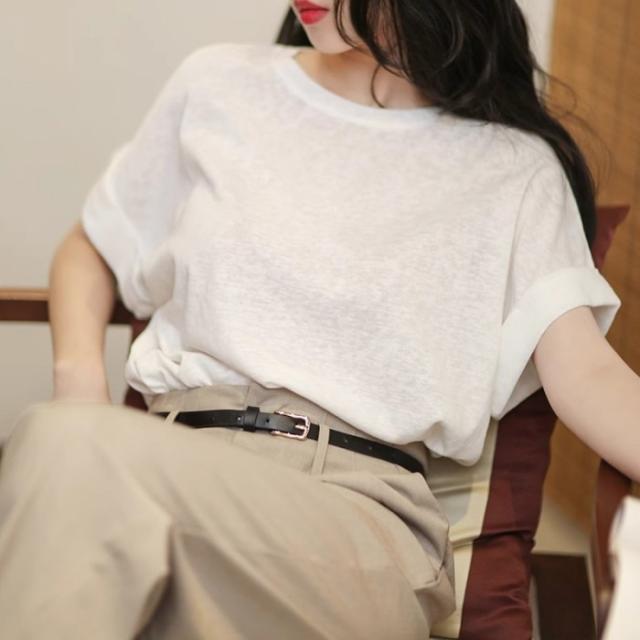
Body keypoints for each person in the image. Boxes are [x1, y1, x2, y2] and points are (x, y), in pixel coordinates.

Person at [1, 1, 639, 638]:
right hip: (169, 473)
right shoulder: (219, 83)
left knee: (66, 456)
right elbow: (95, 244)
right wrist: (80, 392)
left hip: (352, 526)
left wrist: (79, 441)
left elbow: (587, 375)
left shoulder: (515, 169)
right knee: (67, 463)